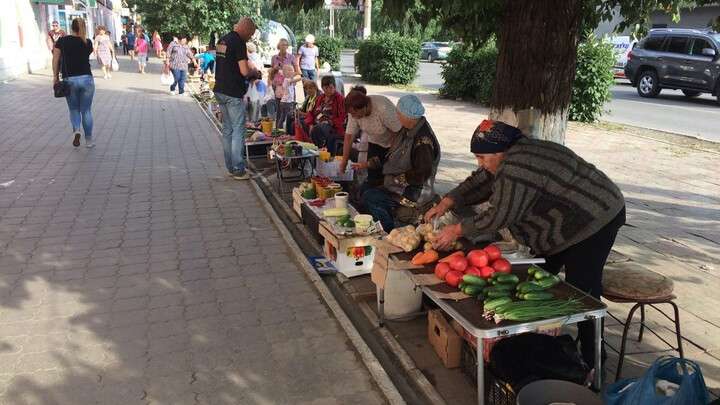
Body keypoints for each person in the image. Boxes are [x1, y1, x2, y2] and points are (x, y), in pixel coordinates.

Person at [425, 119, 626, 369]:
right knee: (536, 280)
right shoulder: (508, 155)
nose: (480, 164)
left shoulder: (518, 167)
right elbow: (482, 180)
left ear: (500, 152)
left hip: (596, 217)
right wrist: (447, 202)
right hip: (568, 217)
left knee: (582, 291)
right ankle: (532, 341)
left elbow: (501, 215)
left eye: (481, 158)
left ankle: (594, 358)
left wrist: (457, 229)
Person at [214, 17, 259, 180]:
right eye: (251, 34)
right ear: (246, 29)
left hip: (219, 89)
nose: (250, 37)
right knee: (238, 130)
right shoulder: (239, 42)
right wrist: (254, 73)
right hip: (233, 92)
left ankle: (230, 167)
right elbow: (244, 71)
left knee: (227, 130)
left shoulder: (223, 39)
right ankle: (238, 168)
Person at [341, 87, 402, 186]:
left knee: (388, 179)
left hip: (393, 145)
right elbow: (349, 137)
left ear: (363, 107)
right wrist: (344, 161)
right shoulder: (353, 112)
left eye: (354, 113)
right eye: (351, 114)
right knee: (373, 179)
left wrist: (390, 154)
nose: (353, 117)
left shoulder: (382, 107)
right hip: (374, 143)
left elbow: (398, 132)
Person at [53, 17, 95, 148]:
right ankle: (88, 141)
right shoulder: (87, 42)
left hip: (69, 79)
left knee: (74, 109)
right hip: (87, 79)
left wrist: (55, 77)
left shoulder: (62, 41)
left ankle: (77, 130)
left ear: (71, 27)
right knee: (86, 110)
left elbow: (55, 59)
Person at [306, 76, 345, 153]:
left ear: (334, 86)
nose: (329, 90)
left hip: (333, 126)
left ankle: (319, 150)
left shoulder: (340, 99)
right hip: (317, 122)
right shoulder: (320, 98)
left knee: (318, 128)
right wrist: (310, 124)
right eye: (326, 88)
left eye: (331, 87)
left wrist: (330, 122)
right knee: (299, 121)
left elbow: (342, 117)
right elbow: (311, 112)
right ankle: (304, 148)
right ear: (322, 88)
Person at [277, 63, 301, 130]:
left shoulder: (289, 80)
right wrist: (299, 75)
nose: (292, 71)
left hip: (286, 101)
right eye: (289, 70)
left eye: (292, 70)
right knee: (287, 116)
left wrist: (294, 74)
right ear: (284, 73)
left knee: (283, 116)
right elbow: (298, 79)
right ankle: (283, 128)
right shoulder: (286, 80)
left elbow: (294, 82)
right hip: (286, 102)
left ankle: (280, 128)